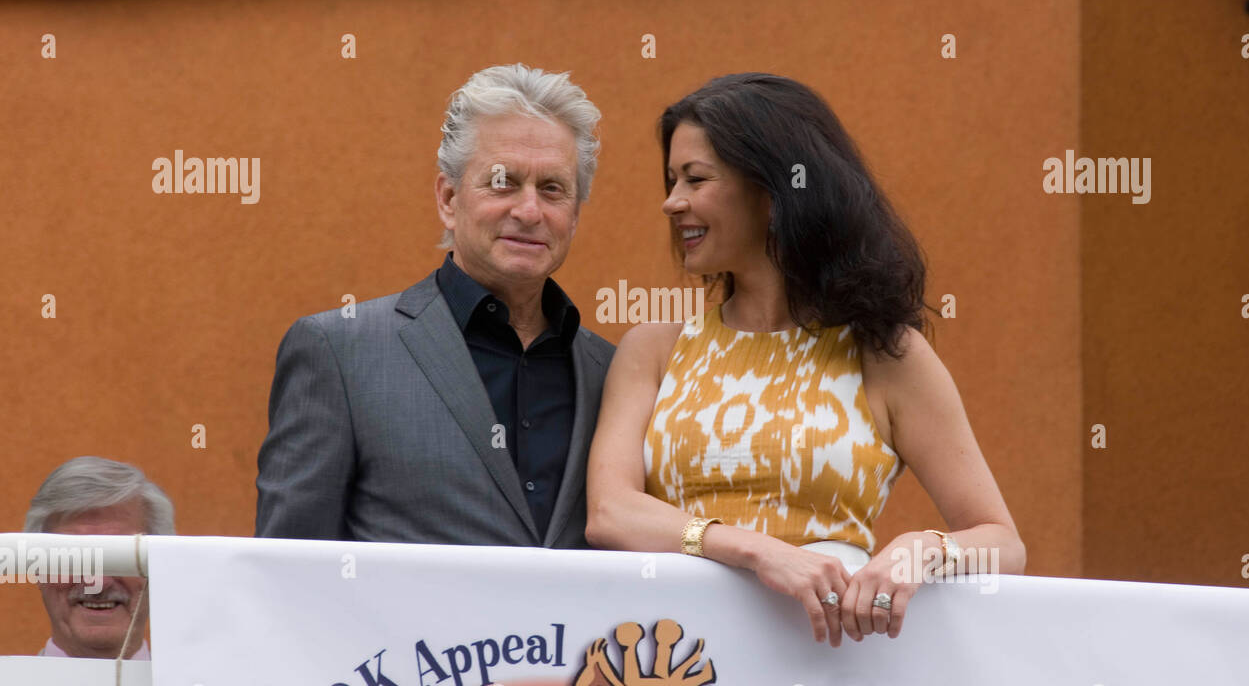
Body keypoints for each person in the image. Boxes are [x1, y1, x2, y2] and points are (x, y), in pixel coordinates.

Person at [587, 73, 1027, 646]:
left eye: (696, 179)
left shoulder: (884, 354)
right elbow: (610, 514)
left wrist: (921, 551)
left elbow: (1001, 541)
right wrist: (756, 551)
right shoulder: (653, 350)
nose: (672, 203)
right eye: (672, 180)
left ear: (774, 191)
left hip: (827, 669)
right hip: (678, 668)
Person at [256, 63, 615, 547]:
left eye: (552, 189)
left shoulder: (610, 372)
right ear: (448, 198)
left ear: (574, 216)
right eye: (503, 182)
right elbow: (288, 568)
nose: (530, 211)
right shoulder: (340, 352)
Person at [24, 456, 176, 660]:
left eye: (121, 555)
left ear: (159, 566)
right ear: (37, 568)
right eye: (73, 556)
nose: (97, 582)